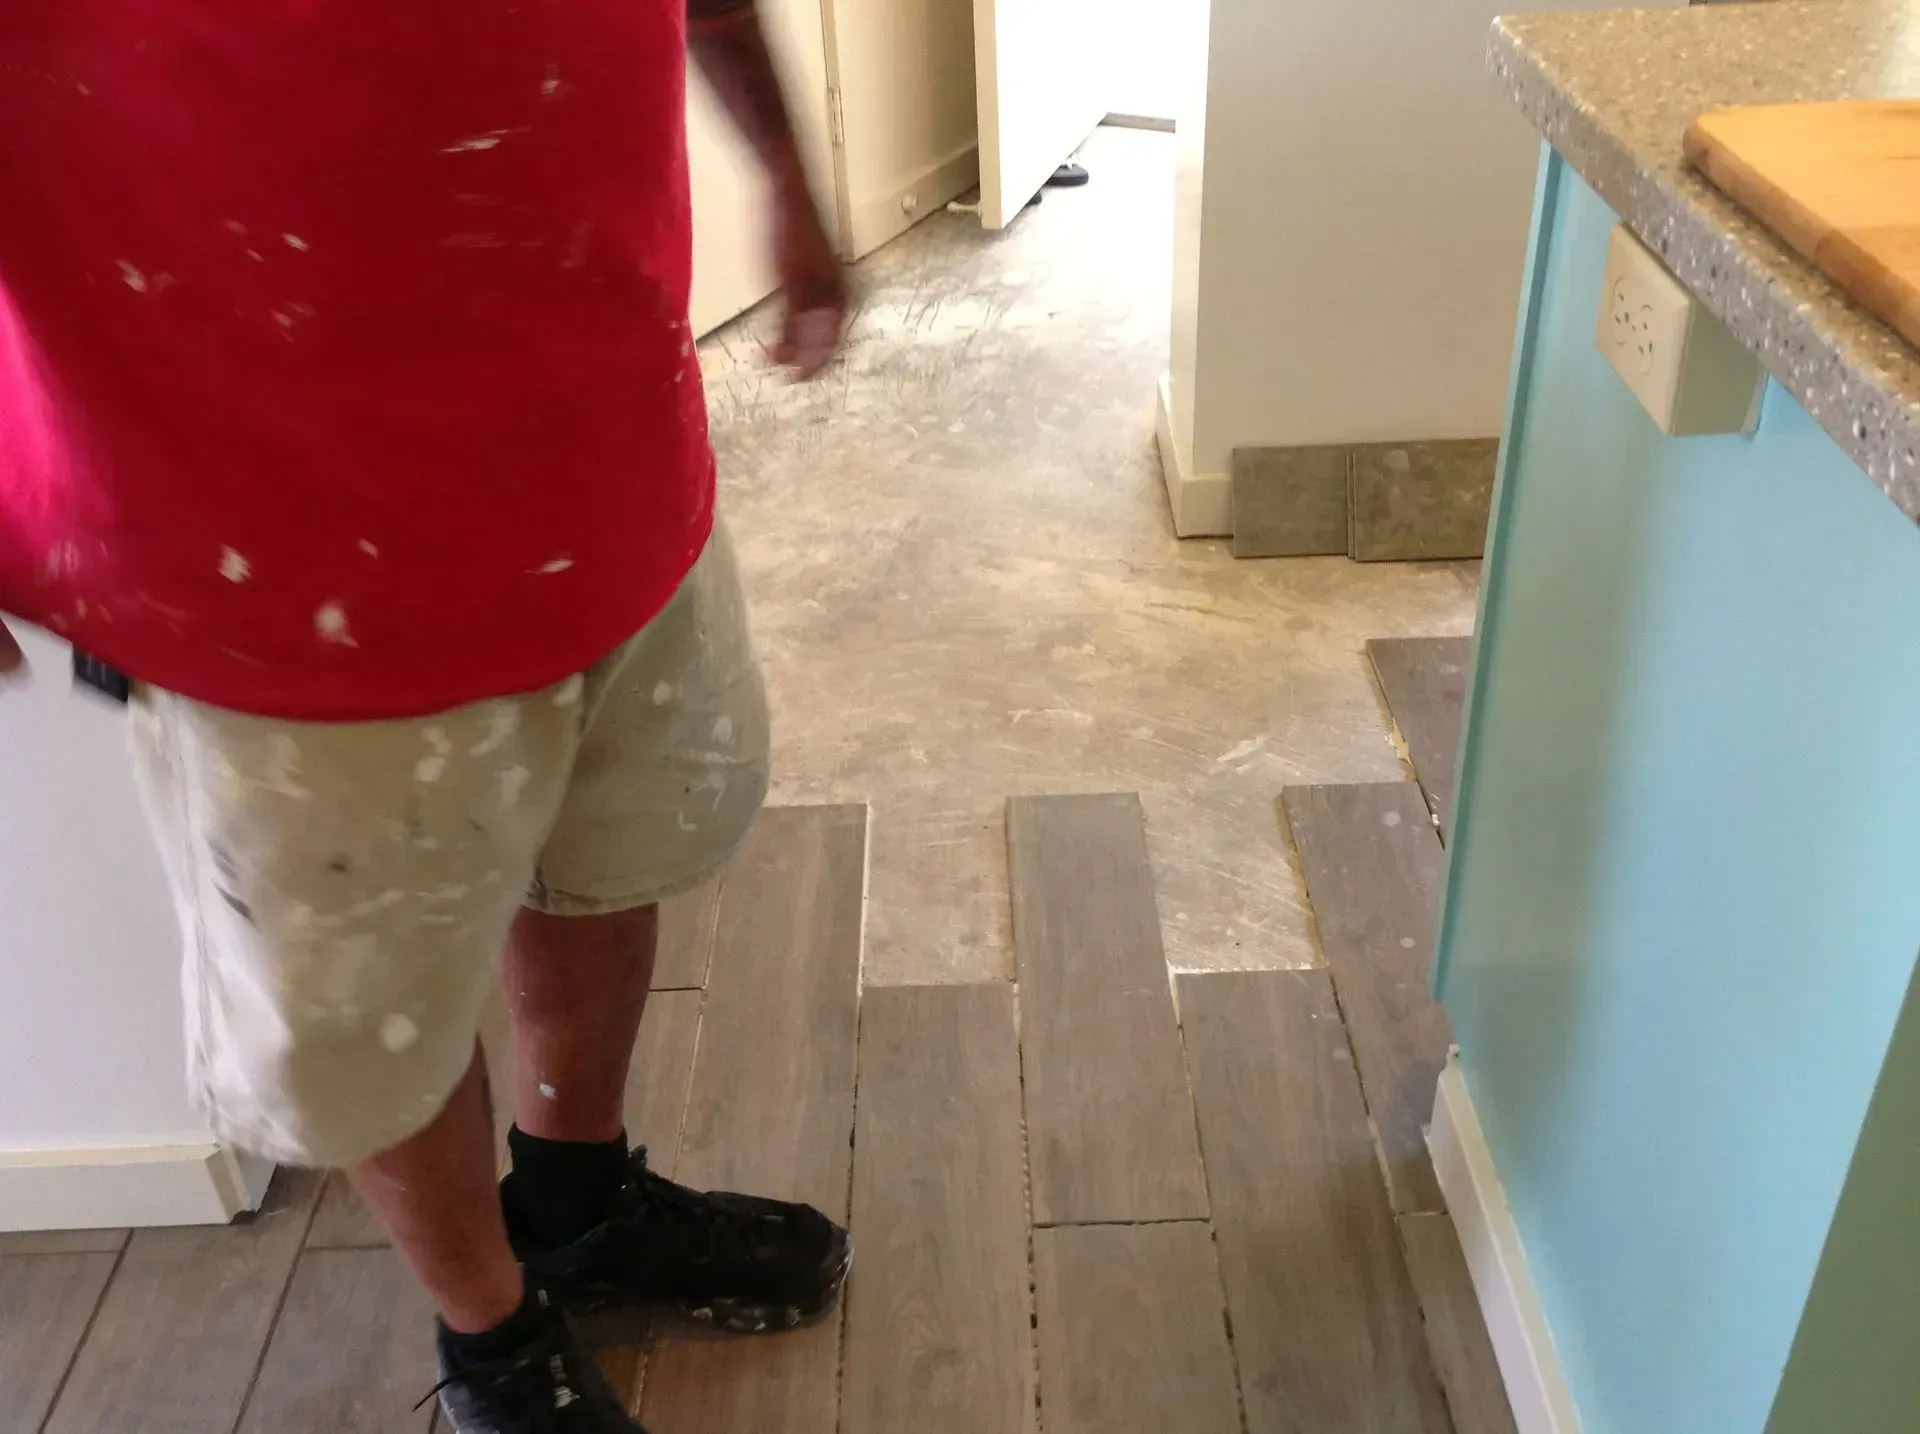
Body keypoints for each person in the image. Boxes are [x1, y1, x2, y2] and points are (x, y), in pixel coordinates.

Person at [0, 1, 850, 1429]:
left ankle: (576, 1198)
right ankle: (495, 1343)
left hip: (602, 441)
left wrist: (787, 173)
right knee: (371, 1021)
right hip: (268, 552)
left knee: (607, 856)